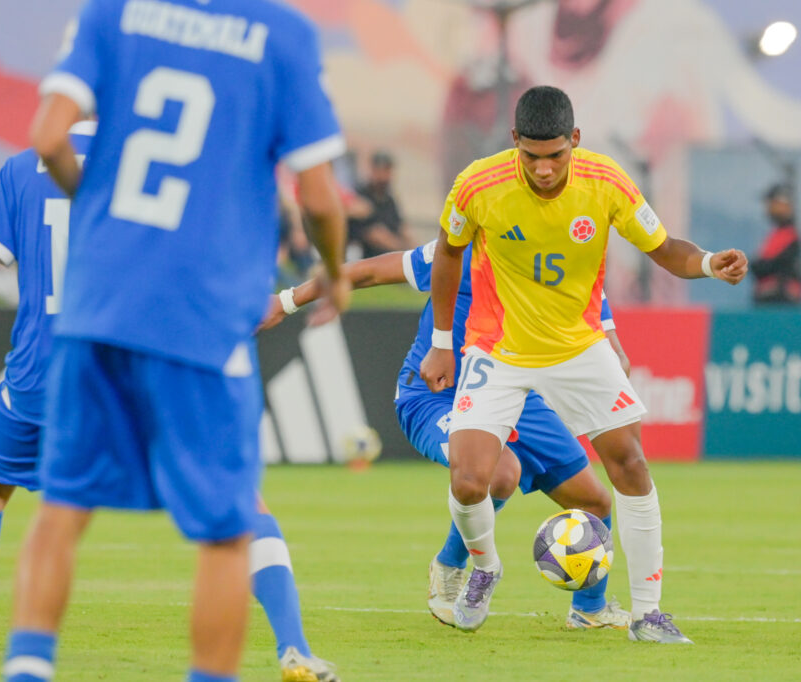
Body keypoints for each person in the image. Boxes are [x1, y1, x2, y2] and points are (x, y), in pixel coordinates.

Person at [6, 1, 350, 680]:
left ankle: (26, 669)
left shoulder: (112, 12)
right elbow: (317, 196)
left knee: (62, 508)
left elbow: (48, 136)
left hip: (97, 311)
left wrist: (94, 205)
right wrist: (335, 273)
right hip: (200, 318)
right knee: (226, 532)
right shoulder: (282, 35)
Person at [419, 86, 747, 642]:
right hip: (497, 350)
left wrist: (711, 263)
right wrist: (442, 340)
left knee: (631, 465)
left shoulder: (607, 181)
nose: (544, 169)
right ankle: (485, 568)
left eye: (555, 155)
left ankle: (647, 614)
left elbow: (664, 247)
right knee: (471, 482)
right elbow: (449, 252)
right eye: (531, 156)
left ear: (575, 139)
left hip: (579, 347)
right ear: (514, 141)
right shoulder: (478, 184)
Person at [261, 242, 632, 631]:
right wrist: (286, 301)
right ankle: (452, 565)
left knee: (594, 501)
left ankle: (589, 609)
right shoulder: (467, 249)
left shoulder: (556, 256)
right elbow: (367, 271)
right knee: (499, 471)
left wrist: (611, 344)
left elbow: (593, 303)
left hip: (513, 391)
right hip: (434, 396)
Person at [346, 151, 413, 259]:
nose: (383, 176)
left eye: (387, 171)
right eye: (380, 170)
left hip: (389, 258)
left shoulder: (389, 200)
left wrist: (416, 248)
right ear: (372, 170)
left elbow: (401, 226)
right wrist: (404, 250)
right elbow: (375, 235)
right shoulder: (360, 196)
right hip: (363, 259)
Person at [750, 183, 801, 306]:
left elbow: (769, 266)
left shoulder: (789, 236)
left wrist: (760, 266)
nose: (768, 208)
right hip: (768, 299)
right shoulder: (776, 235)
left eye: (772, 203)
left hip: (781, 301)